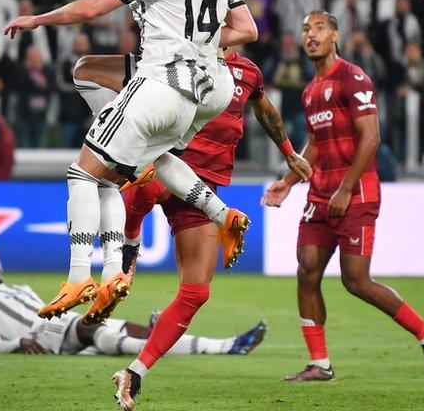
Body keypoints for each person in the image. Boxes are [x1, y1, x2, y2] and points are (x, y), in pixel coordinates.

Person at [4, 0, 258, 349]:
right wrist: (199, 42)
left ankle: (80, 275)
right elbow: (247, 29)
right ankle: (222, 215)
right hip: (205, 90)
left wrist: (36, 20)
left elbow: (89, 10)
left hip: (160, 82)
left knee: (83, 172)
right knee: (149, 156)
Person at [115, 44, 310, 404]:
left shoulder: (248, 72)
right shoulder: (175, 56)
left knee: (196, 293)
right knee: (142, 186)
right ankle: (129, 248)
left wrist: (289, 153)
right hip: (170, 163)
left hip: (207, 189)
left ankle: (134, 372)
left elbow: (267, 112)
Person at [262, 10, 424, 383]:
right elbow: (314, 144)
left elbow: (371, 138)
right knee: (307, 271)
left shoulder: (354, 78)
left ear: (335, 34)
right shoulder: (310, 90)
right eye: (305, 30)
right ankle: (320, 363)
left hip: (356, 193)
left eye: (318, 29)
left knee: (356, 280)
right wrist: (287, 181)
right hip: (320, 193)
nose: (310, 36)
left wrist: (346, 187)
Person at [0, 249, 265, 357]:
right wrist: (19, 343)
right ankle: (216, 349)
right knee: (93, 328)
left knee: (145, 331)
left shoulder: (21, 287)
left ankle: (228, 346)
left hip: (61, 327)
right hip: (40, 335)